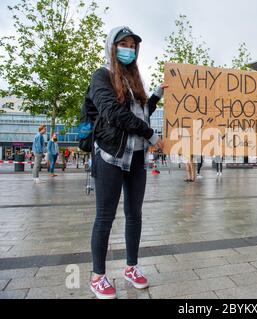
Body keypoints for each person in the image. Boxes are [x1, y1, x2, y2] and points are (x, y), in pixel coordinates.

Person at [88, 26, 166, 299]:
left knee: (135, 215)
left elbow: (140, 114)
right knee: (105, 217)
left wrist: (155, 96)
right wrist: (151, 135)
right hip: (110, 156)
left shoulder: (135, 81)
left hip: (136, 158)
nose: (128, 49)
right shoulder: (101, 77)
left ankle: (131, 267)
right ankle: (97, 275)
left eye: (132, 45)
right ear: (112, 46)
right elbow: (114, 113)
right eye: (123, 44)